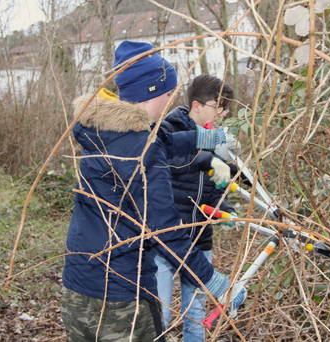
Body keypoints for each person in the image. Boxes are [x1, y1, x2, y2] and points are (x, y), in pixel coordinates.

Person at [61, 40, 245, 342]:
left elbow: (164, 141)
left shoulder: (103, 128)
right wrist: (213, 280)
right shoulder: (140, 148)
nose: (172, 99)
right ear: (152, 92)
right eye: (169, 92)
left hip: (77, 286)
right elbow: (164, 229)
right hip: (120, 296)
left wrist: (206, 139)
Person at [155, 75, 238, 342]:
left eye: (226, 109)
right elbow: (170, 158)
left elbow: (211, 190)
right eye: (218, 106)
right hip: (167, 241)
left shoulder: (215, 138)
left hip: (200, 239)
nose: (223, 113)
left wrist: (224, 208)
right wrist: (206, 158)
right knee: (161, 316)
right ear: (197, 105)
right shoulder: (168, 128)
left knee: (195, 313)